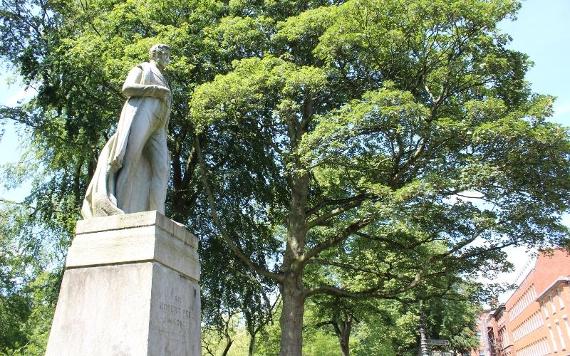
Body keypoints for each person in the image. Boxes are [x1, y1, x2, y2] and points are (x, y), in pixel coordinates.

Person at [81, 44, 172, 218]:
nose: (168, 58)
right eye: (166, 54)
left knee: (161, 168)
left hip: (159, 125)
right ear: (157, 54)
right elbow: (127, 87)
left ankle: (158, 214)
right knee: (131, 158)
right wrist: (155, 90)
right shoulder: (143, 68)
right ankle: (119, 209)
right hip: (143, 113)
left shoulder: (164, 77)